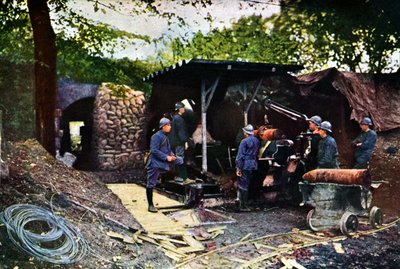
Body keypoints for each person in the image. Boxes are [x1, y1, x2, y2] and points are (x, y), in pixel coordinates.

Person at [146, 117, 183, 213]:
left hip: (162, 161)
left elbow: (168, 149)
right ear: (163, 126)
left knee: (180, 160)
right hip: (154, 163)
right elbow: (154, 150)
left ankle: (180, 177)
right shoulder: (156, 136)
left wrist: (172, 156)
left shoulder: (165, 137)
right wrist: (166, 157)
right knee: (151, 183)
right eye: (168, 125)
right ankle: (150, 205)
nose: (170, 127)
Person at [235, 124, 260, 211]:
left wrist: (238, 168)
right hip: (253, 164)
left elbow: (240, 156)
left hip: (245, 164)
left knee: (243, 184)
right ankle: (248, 202)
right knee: (249, 183)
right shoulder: (257, 140)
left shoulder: (244, 141)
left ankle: (243, 206)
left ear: (245, 133)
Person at [169, 101, 190, 182]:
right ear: (179, 109)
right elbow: (181, 132)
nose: (184, 109)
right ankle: (182, 177)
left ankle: (177, 176)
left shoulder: (174, 118)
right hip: (179, 143)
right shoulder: (179, 119)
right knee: (180, 158)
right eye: (183, 107)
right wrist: (185, 141)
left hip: (174, 142)